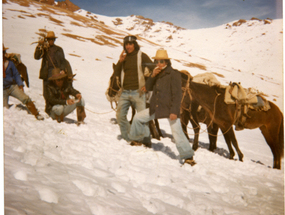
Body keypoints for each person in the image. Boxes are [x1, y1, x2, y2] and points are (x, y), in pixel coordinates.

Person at [128, 49, 196, 166]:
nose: (158, 63)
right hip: (157, 107)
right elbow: (148, 87)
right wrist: (152, 75)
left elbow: (177, 95)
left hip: (170, 109)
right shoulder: (156, 73)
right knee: (138, 118)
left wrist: (174, 111)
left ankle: (188, 156)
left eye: (161, 61)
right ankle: (137, 139)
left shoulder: (174, 74)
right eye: (157, 61)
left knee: (177, 132)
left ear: (167, 62)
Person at [113, 35, 154, 142]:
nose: (128, 46)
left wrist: (148, 85)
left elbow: (154, 70)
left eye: (130, 44)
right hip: (125, 92)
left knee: (142, 118)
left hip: (138, 92)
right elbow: (116, 73)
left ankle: (146, 141)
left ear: (135, 45)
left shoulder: (142, 56)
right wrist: (120, 61)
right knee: (120, 116)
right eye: (126, 44)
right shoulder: (124, 58)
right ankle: (130, 138)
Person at [3, 45, 44, 120]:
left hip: (12, 86)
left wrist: (20, 84)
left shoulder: (10, 63)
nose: (3, 54)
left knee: (25, 98)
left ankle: (36, 113)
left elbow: (16, 74)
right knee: (4, 108)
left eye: (4, 52)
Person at [34, 31, 67, 101]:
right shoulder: (44, 49)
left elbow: (63, 61)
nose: (51, 41)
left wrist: (63, 69)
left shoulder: (59, 49)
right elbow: (36, 57)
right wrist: (39, 46)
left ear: (54, 40)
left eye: (52, 39)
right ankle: (49, 108)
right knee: (46, 93)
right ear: (47, 40)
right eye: (49, 39)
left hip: (56, 73)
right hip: (46, 72)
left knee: (56, 92)